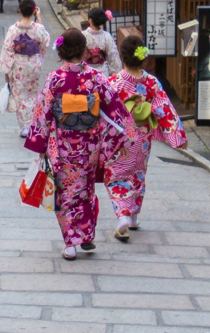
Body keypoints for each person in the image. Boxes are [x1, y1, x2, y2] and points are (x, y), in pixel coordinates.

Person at [25, 29, 132, 260]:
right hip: (89, 145)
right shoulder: (95, 77)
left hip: (63, 145)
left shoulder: (55, 79)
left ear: (62, 51)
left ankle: (70, 243)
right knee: (85, 191)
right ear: (84, 51)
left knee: (65, 194)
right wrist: (123, 136)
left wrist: (40, 143)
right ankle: (85, 236)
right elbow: (115, 106)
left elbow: (43, 112)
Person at [106, 35, 186, 240]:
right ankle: (134, 217)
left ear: (122, 57)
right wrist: (177, 136)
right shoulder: (151, 82)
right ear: (142, 58)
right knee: (138, 173)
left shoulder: (114, 82)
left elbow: (103, 114)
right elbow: (165, 108)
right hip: (142, 137)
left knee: (117, 175)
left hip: (121, 139)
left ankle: (123, 215)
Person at [0, 0, 51, 137]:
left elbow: (7, 49)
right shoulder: (37, 28)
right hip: (33, 65)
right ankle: (34, 122)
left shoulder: (13, 29)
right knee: (33, 93)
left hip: (19, 66)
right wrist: (39, 19)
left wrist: (6, 71)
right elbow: (45, 41)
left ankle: (25, 126)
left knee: (20, 96)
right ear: (34, 11)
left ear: (19, 11)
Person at [84, 7, 121, 75]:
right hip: (103, 73)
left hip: (86, 72)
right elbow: (113, 56)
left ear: (90, 20)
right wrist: (116, 74)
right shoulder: (106, 36)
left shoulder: (82, 35)